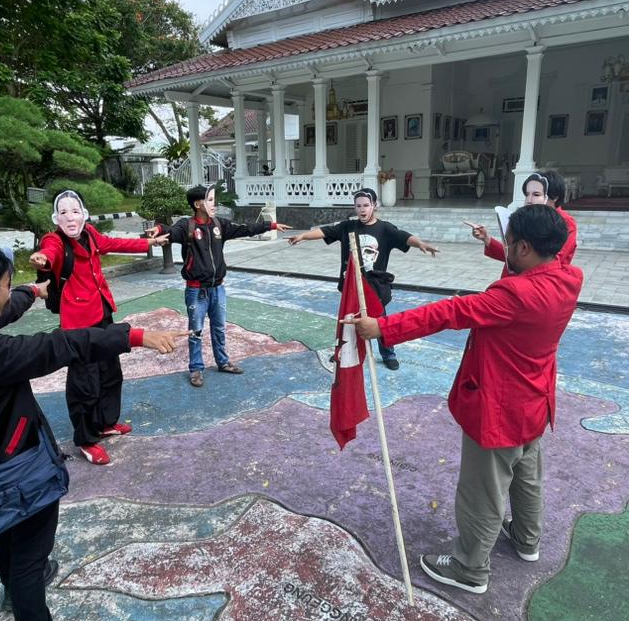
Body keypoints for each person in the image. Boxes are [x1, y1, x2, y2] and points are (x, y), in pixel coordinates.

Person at [0, 242, 182, 621]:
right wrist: (133, 336)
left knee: (7, 535)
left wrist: (30, 291)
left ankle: (14, 589)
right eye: (7, 287)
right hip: (14, 463)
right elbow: (57, 346)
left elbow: (3, 314)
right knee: (31, 552)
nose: (9, 295)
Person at [346, 205, 582, 594]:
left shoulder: (515, 293)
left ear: (524, 247)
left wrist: (382, 327)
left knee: (483, 492)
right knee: (527, 476)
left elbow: (451, 312)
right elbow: (559, 237)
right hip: (535, 401)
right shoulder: (570, 276)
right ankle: (526, 540)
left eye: (508, 242)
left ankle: (470, 567)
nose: (503, 248)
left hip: (499, 408)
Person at [29, 190, 158, 466]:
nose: (70, 217)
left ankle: (106, 422)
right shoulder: (54, 240)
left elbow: (112, 243)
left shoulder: (89, 233)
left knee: (110, 372)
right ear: (56, 218)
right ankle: (86, 438)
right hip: (77, 325)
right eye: (63, 212)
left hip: (102, 313)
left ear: (84, 214)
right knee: (84, 383)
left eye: (74, 211)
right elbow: (49, 251)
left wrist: (147, 242)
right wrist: (43, 257)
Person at [149, 184, 290, 387]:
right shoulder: (187, 226)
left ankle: (223, 362)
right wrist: (160, 229)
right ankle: (196, 369)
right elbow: (171, 231)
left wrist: (271, 226)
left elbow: (245, 228)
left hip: (218, 288)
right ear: (198, 204)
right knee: (195, 331)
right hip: (196, 290)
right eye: (211, 200)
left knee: (219, 328)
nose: (215, 204)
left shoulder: (219, 225)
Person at [288, 187, 439, 370]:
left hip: (375, 287)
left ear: (374, 206)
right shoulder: (347, 227)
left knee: (380, 322)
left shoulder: (385, 229)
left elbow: (404, 237)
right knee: (347, 322)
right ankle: (342, 352)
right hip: (351, 286)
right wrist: (303, 235)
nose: (362, 209)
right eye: (358, 205)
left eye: (366, 205)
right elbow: (324, 232)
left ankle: (388, 353)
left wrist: (420, 244)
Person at [466, 171, 578, 270]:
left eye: (536, 194)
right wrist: (487, 239)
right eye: (527, 194)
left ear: (555, 197)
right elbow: (515, 255)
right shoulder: (528, 218)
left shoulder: (564, 223)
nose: (529, 200)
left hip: (536, 285)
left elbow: (552, 263)